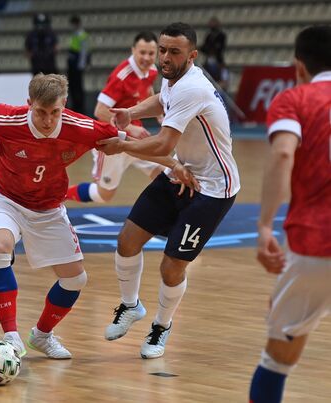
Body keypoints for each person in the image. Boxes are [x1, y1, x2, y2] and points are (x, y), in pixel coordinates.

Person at [0, 74, 194, 359]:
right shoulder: (6, 118)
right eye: (41, 112)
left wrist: (173, 166)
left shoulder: (82, 127)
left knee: (75, 279)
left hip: (47, 207)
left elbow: (133, 142)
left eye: (55, 113)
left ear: (64, 106)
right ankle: (11, 337)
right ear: (29, 103)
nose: (48, 120)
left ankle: (41, 336)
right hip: (3, 196)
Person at [96, 22, 240, 359]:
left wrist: (122, 145)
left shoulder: (193, 87)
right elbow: (162, 101)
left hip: (213, 189)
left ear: (192, 55)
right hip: (183, 174)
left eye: (173, 52)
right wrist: (129, 112)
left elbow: (162, 142)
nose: (164, 57)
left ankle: (161, 327)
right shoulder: (173, 77)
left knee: (171, 266)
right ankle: (130, 306)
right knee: (127, 241)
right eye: (162, 50)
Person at [249, 25, 331, 403]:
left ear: (298, 66)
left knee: (278, 357)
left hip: (316, 244)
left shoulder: (294, 99)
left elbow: (283, 154)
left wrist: (265, 224)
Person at [66, 32, 162, 203]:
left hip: (135, 138)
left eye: (151, 53)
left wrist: (159, 114)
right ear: (133, 50)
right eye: (142, 52)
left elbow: (147, 90)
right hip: (112, 140)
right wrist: (130, 127)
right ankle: (59, 194)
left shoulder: (152, 70)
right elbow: (100, 111)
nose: (147, 58)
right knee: (104, 195)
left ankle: (166, 217)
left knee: (162, 174)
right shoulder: (121, 77)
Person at [67, 15, 89, 114]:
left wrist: (81, 65)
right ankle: (75, 106)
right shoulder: (75, 34)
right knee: (72, 86)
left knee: (78, 87)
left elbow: (84, 52)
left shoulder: (82, 35)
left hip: (77, 66)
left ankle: (79, 108)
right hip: (72, 65)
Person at [200, 16, 227, 83]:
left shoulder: (221, 35)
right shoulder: (209, 35)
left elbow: (221, 47)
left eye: (213, 23)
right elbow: (204, 47)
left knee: (219, 77)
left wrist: (213, 49)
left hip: (217, 60)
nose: (212, 25)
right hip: (208, 59)